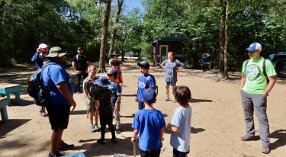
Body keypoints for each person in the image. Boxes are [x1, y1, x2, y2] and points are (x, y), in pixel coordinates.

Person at [240, 42, 277, 154]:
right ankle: (250, 134)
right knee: (247, 115)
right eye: (248, 51)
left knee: (262, 119)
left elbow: (273, 79)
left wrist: (265, 93)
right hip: (246, 92)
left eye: (252, 51)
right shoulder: (246, 62)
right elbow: (243, 76)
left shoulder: (266, 63)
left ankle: (265, 143)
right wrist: (241, 88)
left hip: (259, 94)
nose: (249, 53)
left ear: (258, 51)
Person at [42, 46, 77, 157]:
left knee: (58, 127)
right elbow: (61, 86)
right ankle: (53, 153)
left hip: (54, 102)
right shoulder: (55, 68)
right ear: (56, 57)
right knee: (58, 128)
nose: (65, 57)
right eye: (62, 55)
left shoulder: (47, 66)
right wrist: (71, 100)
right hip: (58, 103)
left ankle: (59, 145)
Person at [131, 89, 165, 157]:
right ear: (154, 100)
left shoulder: (139, 114)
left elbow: (136, 131)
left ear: (143, 99)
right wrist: (161, 140)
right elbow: (161, 129)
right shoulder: (158, 114)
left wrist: (133, 137)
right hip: (156, 145)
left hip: (144, 146)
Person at [167, 86, 192, 157]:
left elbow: (175, 129)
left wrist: (169, 126)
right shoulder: (189, 108)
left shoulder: (179, 111)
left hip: (179, 144)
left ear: (177, 99)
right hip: (186, 141)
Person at [94, 76, 117, 144]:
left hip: (102, 110)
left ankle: (102, 138)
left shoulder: (98, 93)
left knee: (103, 125)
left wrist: (96, 109)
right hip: (109, 109)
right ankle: (113, 138)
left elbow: (97, 103)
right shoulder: (109, 91)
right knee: (110, 124)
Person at [31, 43, 49, 117]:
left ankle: (51, 108)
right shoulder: (38, 55)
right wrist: (37, 52)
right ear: (40, 48)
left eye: (46, 48)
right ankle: (42, 109)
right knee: (42, 91)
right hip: (40, 75)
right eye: (44, 48)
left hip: (48, 74)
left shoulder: (49, 54)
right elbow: (33, 60)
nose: (46, 49)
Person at [83, 64, 100, 133]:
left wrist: (98, 99)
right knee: (91, 112)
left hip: (97, 98)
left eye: (95, 72)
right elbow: (85, 90)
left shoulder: (97, 79)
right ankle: (91, 125)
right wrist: (88, 99)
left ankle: (96, 124)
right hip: (90, 99)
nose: (94, 73)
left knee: (96, 111)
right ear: (89, 71)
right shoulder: (86, 80)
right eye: (93, 72)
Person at [107, 69, 122, 134]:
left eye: (110, 75)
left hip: (115, 102)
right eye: (108, 75)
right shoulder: (107, 84)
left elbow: (119, 95)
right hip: (108, 102)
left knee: (116, 115)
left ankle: (117, 127)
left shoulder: (117, 85)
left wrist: (117, 102)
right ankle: (109, 126)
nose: (109, 77)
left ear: (114, 76)